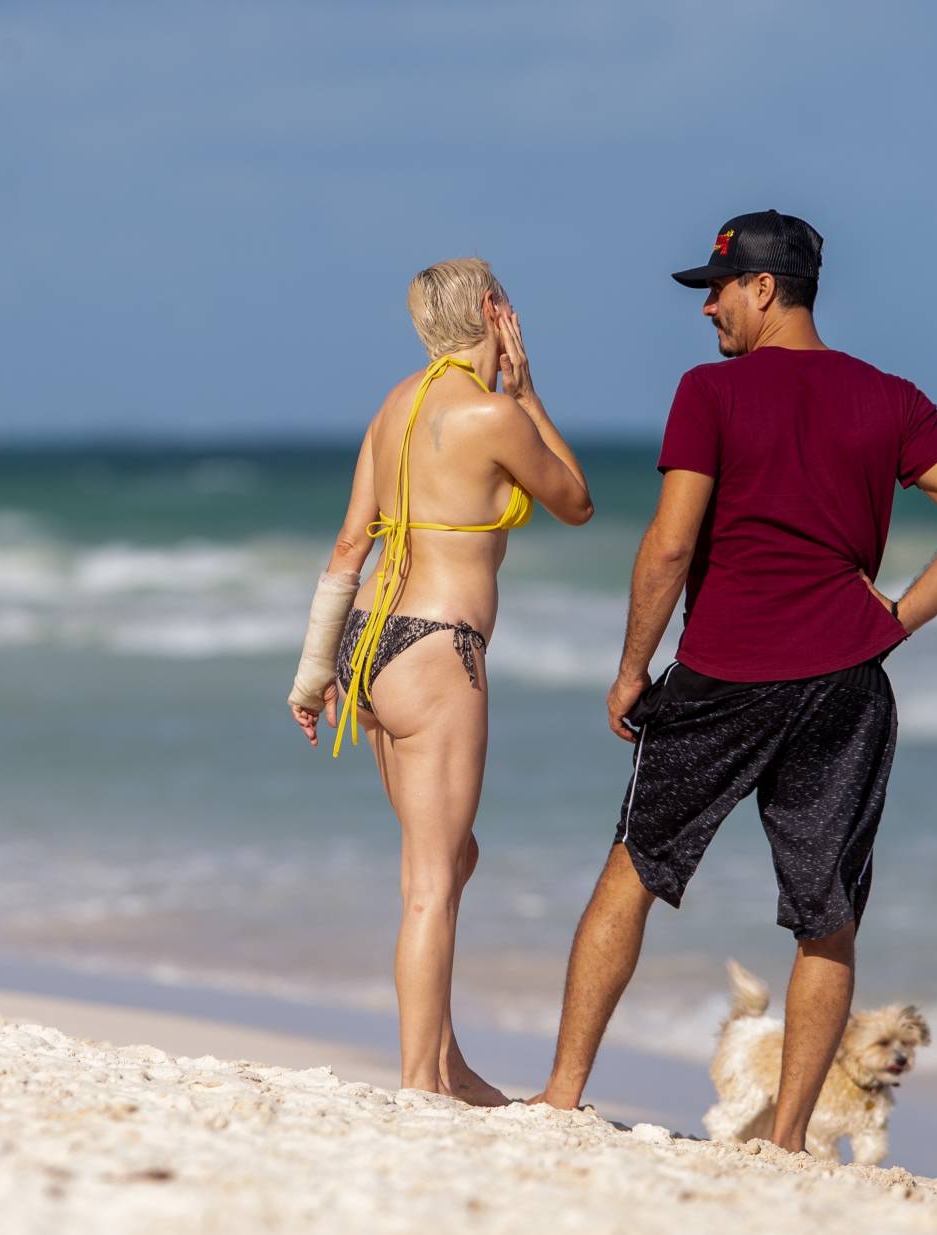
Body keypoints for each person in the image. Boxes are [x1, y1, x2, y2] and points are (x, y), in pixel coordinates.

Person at [533, 211, 937, 1150]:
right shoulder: (892, 397)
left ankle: (559, 1094)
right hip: (846, 680)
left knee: (633, 870)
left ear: (763, 288)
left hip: (724, 672)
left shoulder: (711, 392)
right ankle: (789, 1138)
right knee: (826, 916)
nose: (707, 307)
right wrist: (893, 623)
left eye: (717, 288)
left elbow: (670, 543)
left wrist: (632, 669)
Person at [287, 258, 593, 1105]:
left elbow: (350, 547)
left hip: (371, 645)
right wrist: (529, 392)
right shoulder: (495, 414)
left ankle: (448, 1061)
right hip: (438, 650)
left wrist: (316, 674)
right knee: (431, 883)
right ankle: (422, 1083)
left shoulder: (394, 407)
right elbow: (575, 500)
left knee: (452, 857)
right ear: (496, 312)